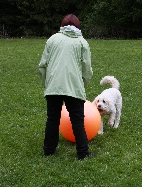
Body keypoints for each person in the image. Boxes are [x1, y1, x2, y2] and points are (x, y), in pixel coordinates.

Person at [38, 14, 93, 160]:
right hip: (74, 86)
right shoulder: (82, 43)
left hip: (53, 86)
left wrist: (46, 84)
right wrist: (84, 84)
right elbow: (86, 68)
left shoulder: (52, 39)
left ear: (62, 25)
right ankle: (83, 152)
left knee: (52, 119)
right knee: (77, 120)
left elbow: (42, 65)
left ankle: (49, 150)